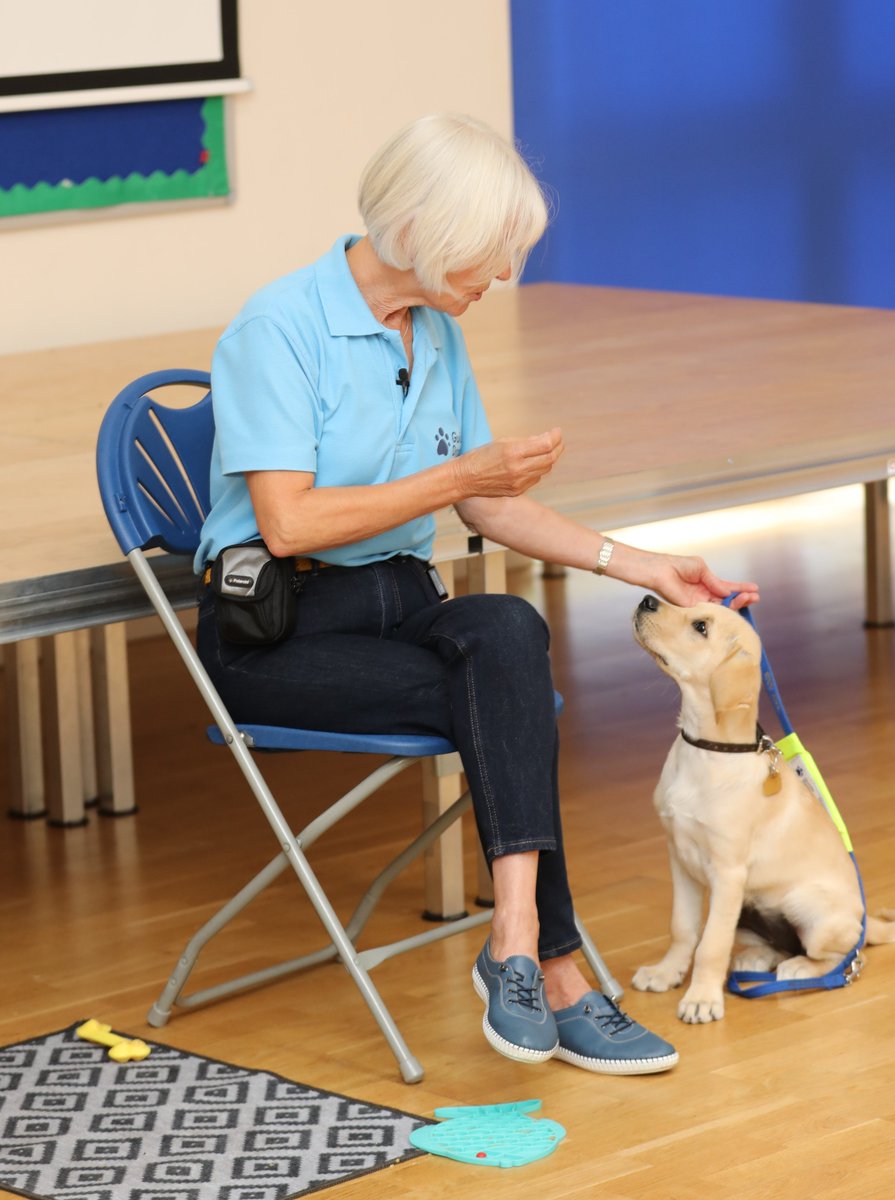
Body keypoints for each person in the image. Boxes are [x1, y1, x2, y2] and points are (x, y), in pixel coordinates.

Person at [194, 112, 759, 1075]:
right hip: (279, 634)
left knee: (506, 625)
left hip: (401, 602)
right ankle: (562, 971)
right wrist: (462, 480)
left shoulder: (433, 332)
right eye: (491, 255)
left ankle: (511, 945)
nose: (501, 278)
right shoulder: (278, 328)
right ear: (423, 232)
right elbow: (288, 524)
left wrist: (644, 566)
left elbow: (495, 510)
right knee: (502, 706)